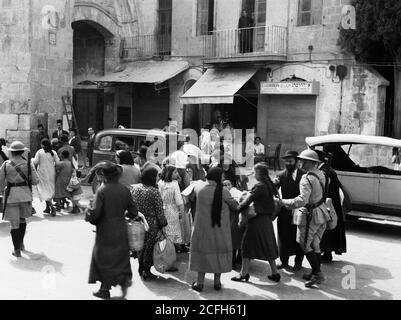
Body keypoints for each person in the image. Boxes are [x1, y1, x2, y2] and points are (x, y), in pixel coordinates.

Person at [86, 163, 141, 300]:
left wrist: (88, 211)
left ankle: (105, 289)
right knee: (120, 258)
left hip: (105, 229)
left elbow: (95, 212)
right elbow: (134, 211)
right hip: (121, 228)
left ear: (104, 176)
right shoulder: (124, 190)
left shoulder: (102, 190)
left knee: (104, 259)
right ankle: (123, 286)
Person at [279, 150, 331, 288]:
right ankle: (315, 272)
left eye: (303, 160)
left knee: (303, 244)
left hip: (310, 215)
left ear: (311, 162)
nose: (300, 162)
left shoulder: (306, 178)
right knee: (315, 244)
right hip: (321, 213)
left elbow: (302, 200)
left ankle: (318, 274)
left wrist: (283, 202)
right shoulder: (321, 174)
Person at [190, 167, 239, 292]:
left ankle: (200, 283)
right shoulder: (224, 192)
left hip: (202, 230)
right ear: (217, 178)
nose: (223, 179)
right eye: (222, 177)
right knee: (218, 254)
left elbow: (190, 198)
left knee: (202, 254)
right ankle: (217, 282)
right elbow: (236, 206)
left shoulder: (199, 189)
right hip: (220, 230)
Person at [232, 162, 280, 283]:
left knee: (246, 246)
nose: (254, 174)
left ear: (259, 173)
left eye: (255, 171)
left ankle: (243, 274)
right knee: (268, 246)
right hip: (266, 221)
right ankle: (275, 273)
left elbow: (248, 201)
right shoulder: (269, 185)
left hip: (257, 221)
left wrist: (236, 210)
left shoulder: (259, 186)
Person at [0, 141, 39, 257]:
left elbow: (0, 182)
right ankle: (21, 243)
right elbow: (36, 181)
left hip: (11, 196)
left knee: (14, 224)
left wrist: (2, 190)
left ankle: (17, 250)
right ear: (22, 152)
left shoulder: (6, 164)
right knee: (22, 220)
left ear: (11, 152)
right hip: (25, 196)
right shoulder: (28, 164)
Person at [131, 167, 168, 281]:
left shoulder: (135, 188)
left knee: (140, 246)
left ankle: (140, 267)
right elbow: (159, 211)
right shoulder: (154, 192)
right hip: (151, 224)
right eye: (157, 176)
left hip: (137, 221)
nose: (158, 178)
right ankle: (146, 271)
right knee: (149, 247)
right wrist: (163, 224)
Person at [274, 151, 305, 271]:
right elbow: (274, 190)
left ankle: (298, 262)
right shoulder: (281, 175)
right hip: (285, 209)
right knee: (284, 235)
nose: (288, 163)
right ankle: (284, 261)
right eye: (286, 161)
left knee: (299, 236)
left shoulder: (304, 175)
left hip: (300, 210)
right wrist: (273, 184)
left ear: (297, 162)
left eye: (290, 161)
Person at [317, 150, 347, 263]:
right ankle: (327, 252)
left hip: (329, 204)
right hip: (333, 203)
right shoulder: (328, 169)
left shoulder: (325, 171)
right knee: (329, 228)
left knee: (326, 229)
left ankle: (326, 252)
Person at [158, 165, 185, 258]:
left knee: (165, 232)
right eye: (175, 172)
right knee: (173, 233)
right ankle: (171, 255)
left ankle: (165, 253)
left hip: (162, 210)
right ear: (169, 173)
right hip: (172, 210)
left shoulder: (160, 183)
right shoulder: (174, 184)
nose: (177, 174)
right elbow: (179, 200)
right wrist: (182, 212)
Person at [33, 139, 60, 216]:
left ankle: (51, 207)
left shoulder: (40, 152)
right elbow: (58, 163)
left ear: (42, 145)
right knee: (49, 189)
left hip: (42, 173)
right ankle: (47, 208)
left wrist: (31, 159)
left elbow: (35, 162)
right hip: (51, 173)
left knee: (44, 190)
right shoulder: (53, 152)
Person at [223, 180, 245, 270]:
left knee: (236, 241)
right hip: (231, 220)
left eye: (229, 184)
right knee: (234, 242)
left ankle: (238, 259)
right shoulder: (226, 194)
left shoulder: (235, 193)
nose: (227, 186)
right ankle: (233, 261)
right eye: (225, 185)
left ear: (232, 185)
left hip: (235, 220)